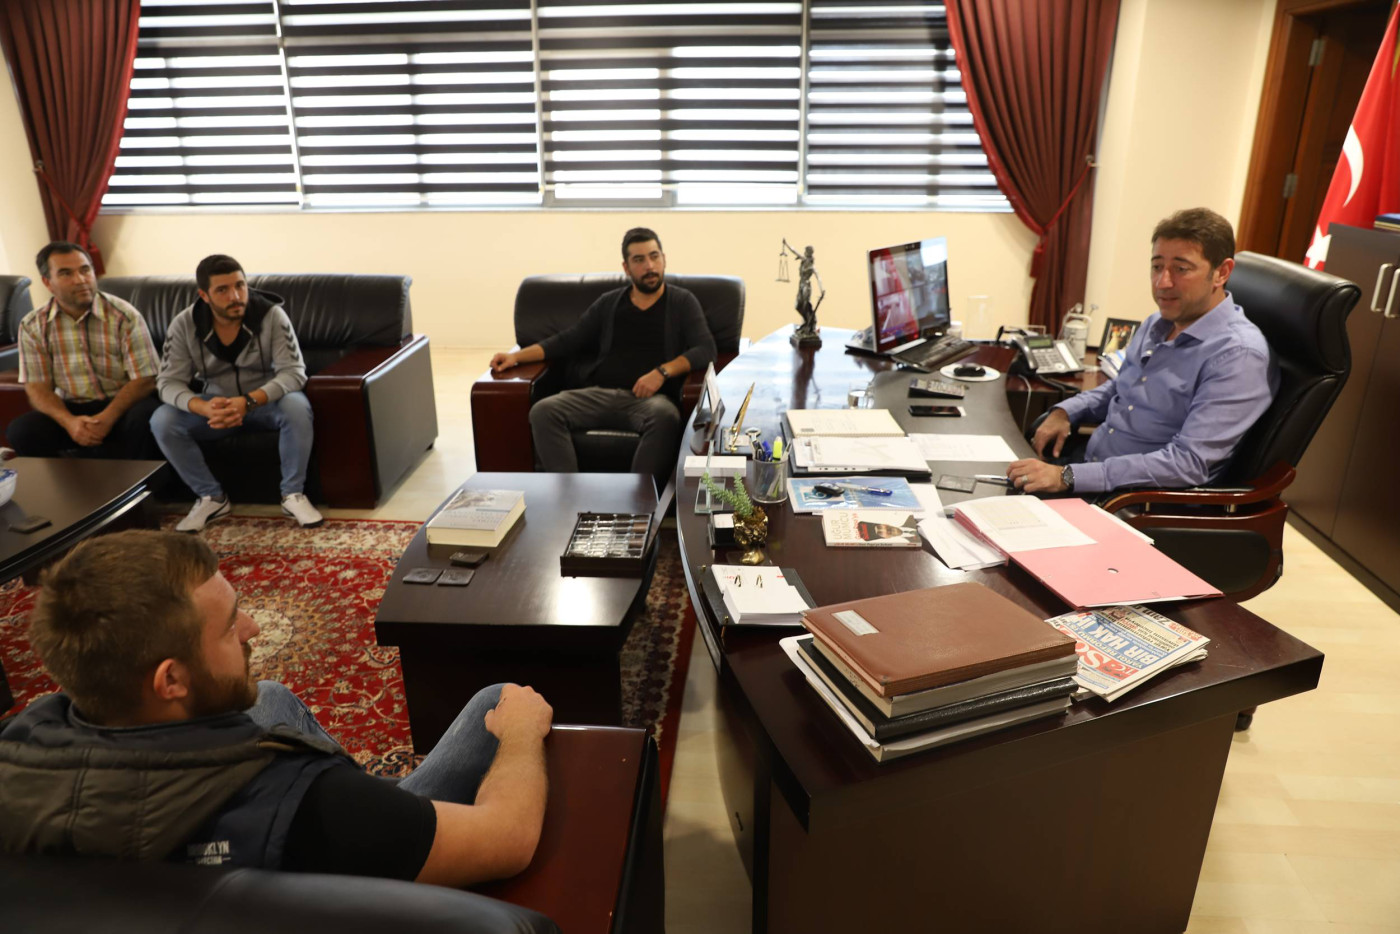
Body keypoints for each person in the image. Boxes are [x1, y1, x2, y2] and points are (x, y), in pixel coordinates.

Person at [0, 530, 552, 885]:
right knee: (499, 701)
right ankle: (402, 807)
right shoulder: (313, 803)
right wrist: (522, 734)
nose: (253, 629)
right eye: (228, 625)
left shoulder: (22, 747)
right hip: (353, 861)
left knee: (269, 697)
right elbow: (509, 839)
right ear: (171, 679)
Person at [1007, 207, 1277, 496]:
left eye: (1181, 269)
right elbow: (1121, 389)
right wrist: (1066, 411)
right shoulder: (1157, 323)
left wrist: (1069, 476)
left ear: (1221, 273)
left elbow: (1187, 463)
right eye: (1157, 266)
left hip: (1135, 502)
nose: (1163, 283)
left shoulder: (1239, 356)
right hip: (1089, 471)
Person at [489, 227, 716, 480]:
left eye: (654, 256)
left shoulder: (682, 302)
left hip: (649, 401)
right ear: (626, 267)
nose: (649, 266)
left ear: (664, 259)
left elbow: (706, 349)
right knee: (543, 411)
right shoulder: (609, 303)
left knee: (666, 417)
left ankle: (638, 498)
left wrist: (662, 372)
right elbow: (568, 340)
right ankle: (569, 495)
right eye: (639, 260)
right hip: (598, 394)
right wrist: (516, 357)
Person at [152, 255, 323, 531]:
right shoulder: (184, 324)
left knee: (296, 406)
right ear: (204, 295)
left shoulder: (271, 315)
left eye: (240, 286)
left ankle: (293, 494)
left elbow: (294, 373)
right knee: (163, 420)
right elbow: (168, 382)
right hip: (215, 406)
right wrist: (201, 407)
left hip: (265, 401)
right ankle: (211, 497)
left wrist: (249, 401)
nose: (235, 296)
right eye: (222, 290)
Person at [8, 241, 161, 459]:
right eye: (66, 273)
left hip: (122, 405)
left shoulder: (124, 315)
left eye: (85, 270)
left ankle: (142, 482)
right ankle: (64, 482)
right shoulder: (33, 325)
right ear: (48, 282)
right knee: (22, 430)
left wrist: (105, 419)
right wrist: (69, 422)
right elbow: (37, 388)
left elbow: (144, 379)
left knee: (146, 416)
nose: (80, 280)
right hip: (70, 409)